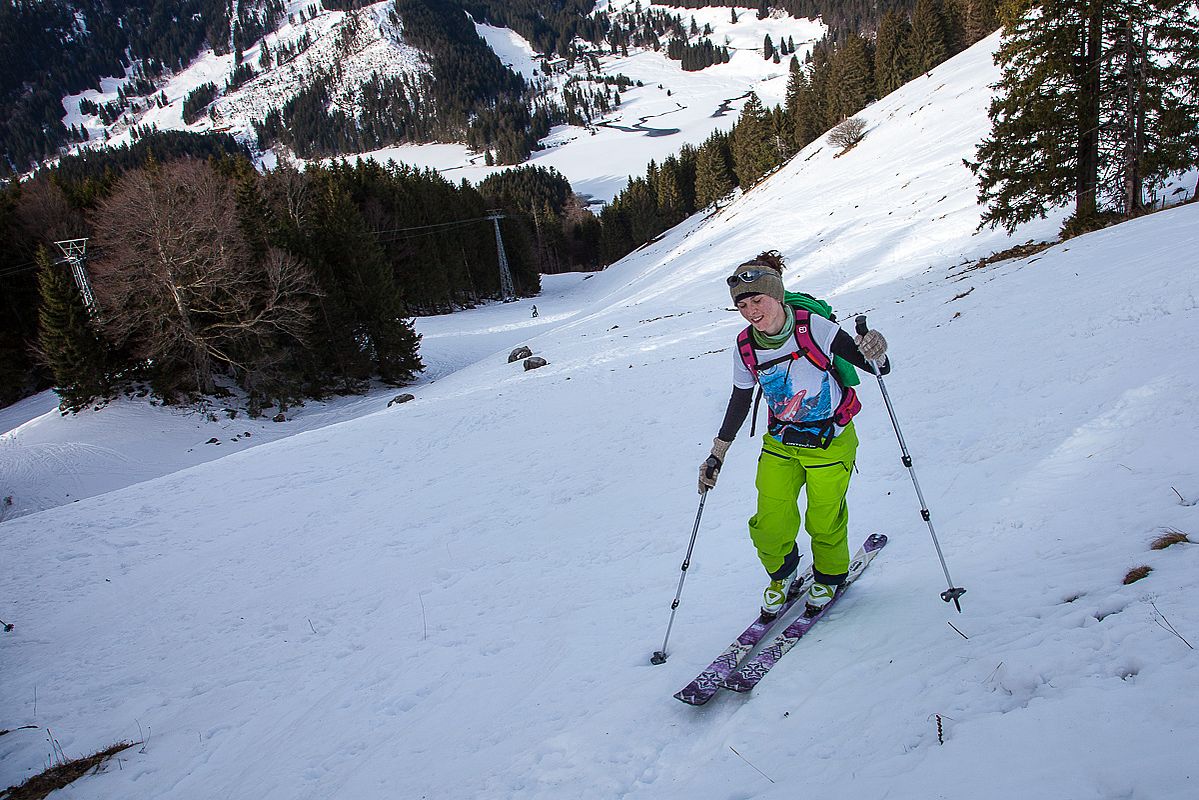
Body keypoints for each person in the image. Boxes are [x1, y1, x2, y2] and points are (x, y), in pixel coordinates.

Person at [698, 250, 890, 619]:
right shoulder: (745, 346)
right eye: (743, 304)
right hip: (781, 442)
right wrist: (718, 452)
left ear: (777, 295)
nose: (752, 310)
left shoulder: (814, 327)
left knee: (824, 517)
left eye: (758, 300)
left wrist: (877, 350)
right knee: (770, 522)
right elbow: (740, 400)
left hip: (830, 441)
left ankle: (830, 576)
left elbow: (874, 367)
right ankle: (783, 574)